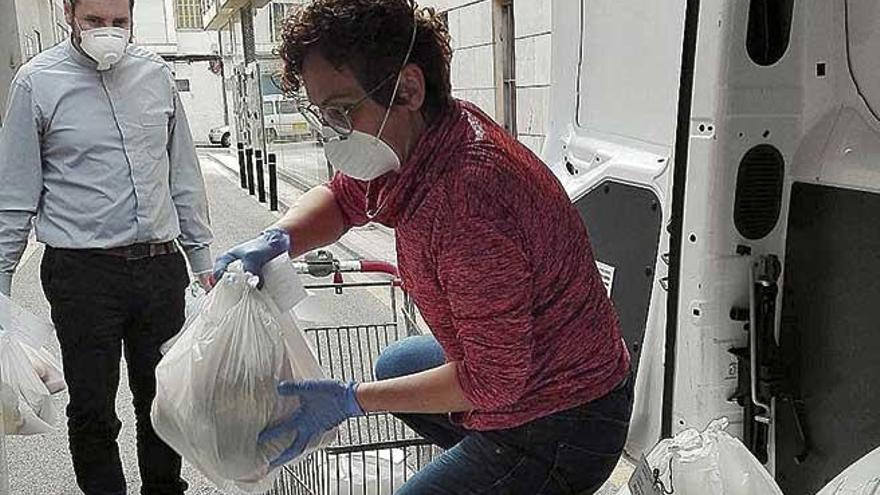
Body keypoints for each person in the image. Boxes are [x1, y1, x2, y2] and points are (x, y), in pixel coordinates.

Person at [214, 0, 632, 492]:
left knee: (400, 398)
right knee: (396, 365)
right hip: (529, 368)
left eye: (340, 111)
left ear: (409, 88)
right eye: (319, 113)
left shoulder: (468, 199)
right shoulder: (426, 138)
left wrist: (350, 400)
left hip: (561, 420)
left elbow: (492, 384)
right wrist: (277, 240)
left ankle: (514, 469)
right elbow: (345, 198)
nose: (331, 132)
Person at [0, 0, 213, 493]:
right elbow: (14, 196)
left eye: (120, 22)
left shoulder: (157, 76)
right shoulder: (36, 82)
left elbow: (183, 174)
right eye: (94, 21)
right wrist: (3, 288)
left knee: (163, 400)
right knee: (93, 408)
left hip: (160, 268)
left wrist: (201, 261)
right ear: (69, 13)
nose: (108, 32)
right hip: (81, 273)